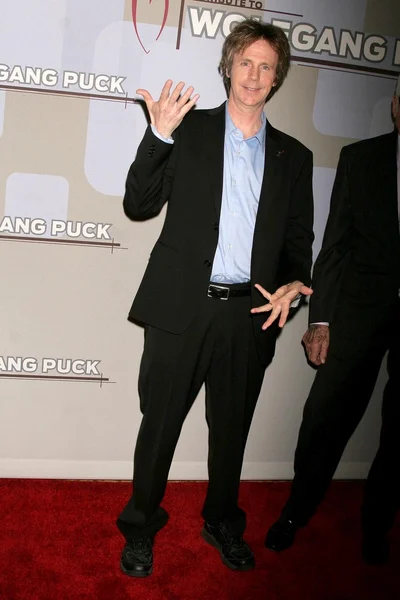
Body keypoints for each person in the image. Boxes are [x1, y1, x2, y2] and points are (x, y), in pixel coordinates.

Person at [118, 19, 314, 577]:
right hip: (181, 308)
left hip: (248, 315)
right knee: (159, 428)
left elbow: (299, 239)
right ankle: (139, 527)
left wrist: (295, 284)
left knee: (232, 431)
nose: (254, 75)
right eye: (246, 62)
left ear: (277, 78)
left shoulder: (293, 157)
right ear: (229, 65)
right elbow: (138, 203)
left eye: (266, 66)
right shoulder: (189, 129)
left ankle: (223, 523)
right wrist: (158, 136)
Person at [265, 75, 400, 565]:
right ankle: (295, 513)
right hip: (357, 313)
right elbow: (335, 245)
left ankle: (377, 525)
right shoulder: (361, 159)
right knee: (324, 419)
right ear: (394, 105)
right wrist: (320, 320)